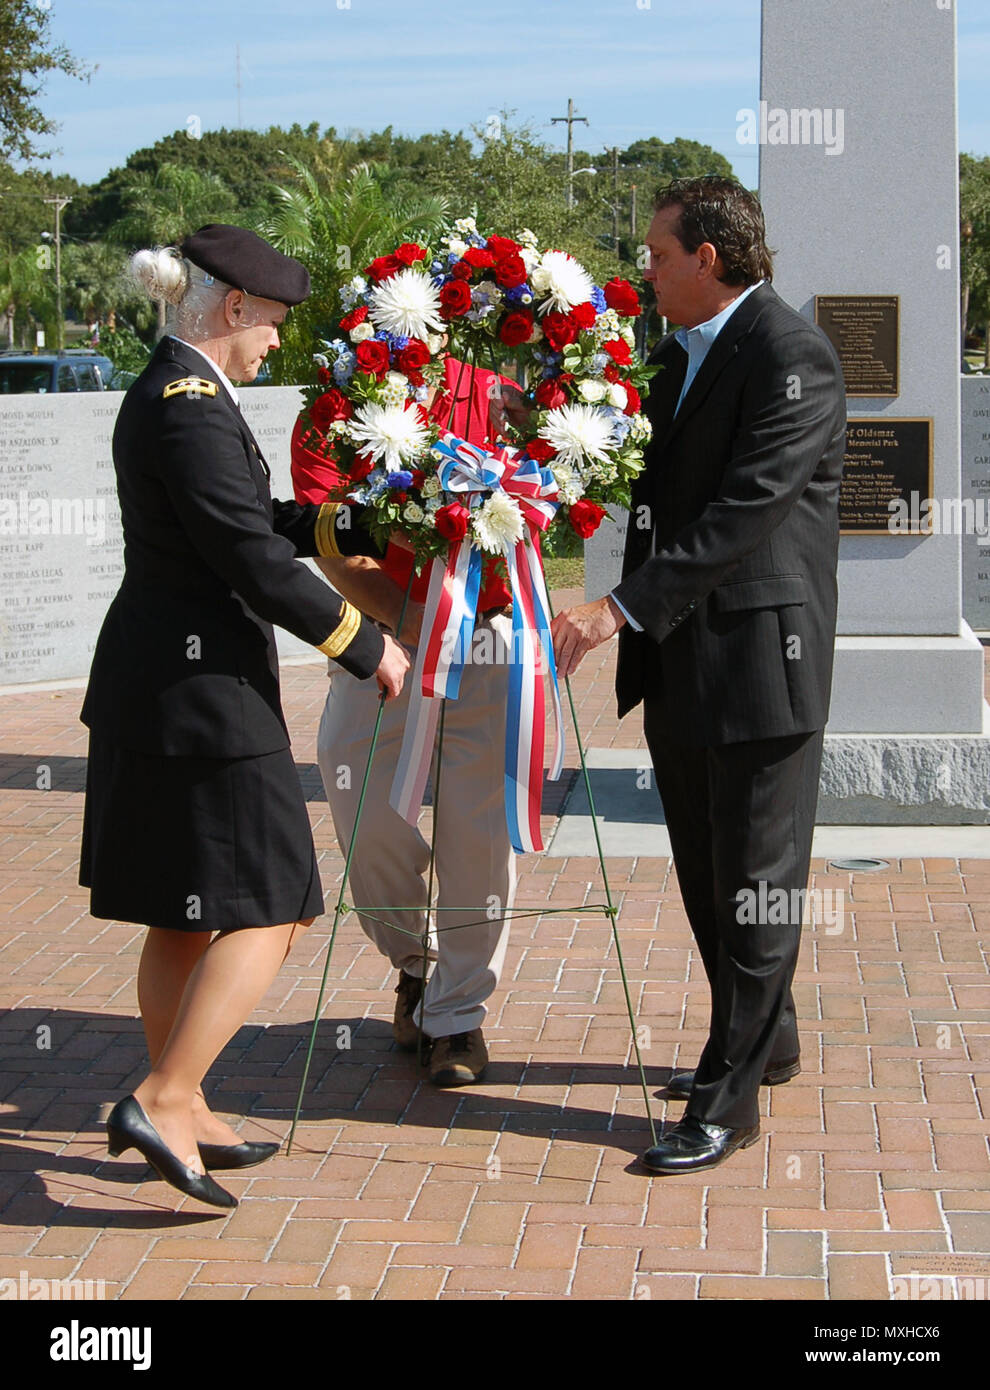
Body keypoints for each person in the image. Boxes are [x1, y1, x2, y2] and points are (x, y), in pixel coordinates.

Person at [80, 224, 410, 1208]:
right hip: (206, 701)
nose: (275, 341)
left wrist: (341, 521)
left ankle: (187, 1105)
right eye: (271, 321)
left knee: (184, 912)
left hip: (164, 690)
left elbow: (246, 517)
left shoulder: (178, 390)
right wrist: (365, 640)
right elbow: (246, 561)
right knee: (276, 899)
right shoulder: (186, 408)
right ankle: (166, 1094)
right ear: (232, 307)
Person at [551, 177, 846, 1174]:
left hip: (763, 664)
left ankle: (729, 1101)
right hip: (680, 663)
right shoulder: (677, 359)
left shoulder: (790, 356)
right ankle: (769, 1040)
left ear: (708, 260)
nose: (647, 271)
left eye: (659, 254)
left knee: (758, 882)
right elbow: (641, 476)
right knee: (706, 874)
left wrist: (611, 608)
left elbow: (742, 513)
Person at [291, 356, 521, 1086]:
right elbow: (333, 543)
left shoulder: (498, 392)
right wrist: (414, 620)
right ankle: (416, 961)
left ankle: (457, 1016)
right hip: (383, 639)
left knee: (476, 821)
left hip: (490, 632)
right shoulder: (334, 407)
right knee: (358, 795)